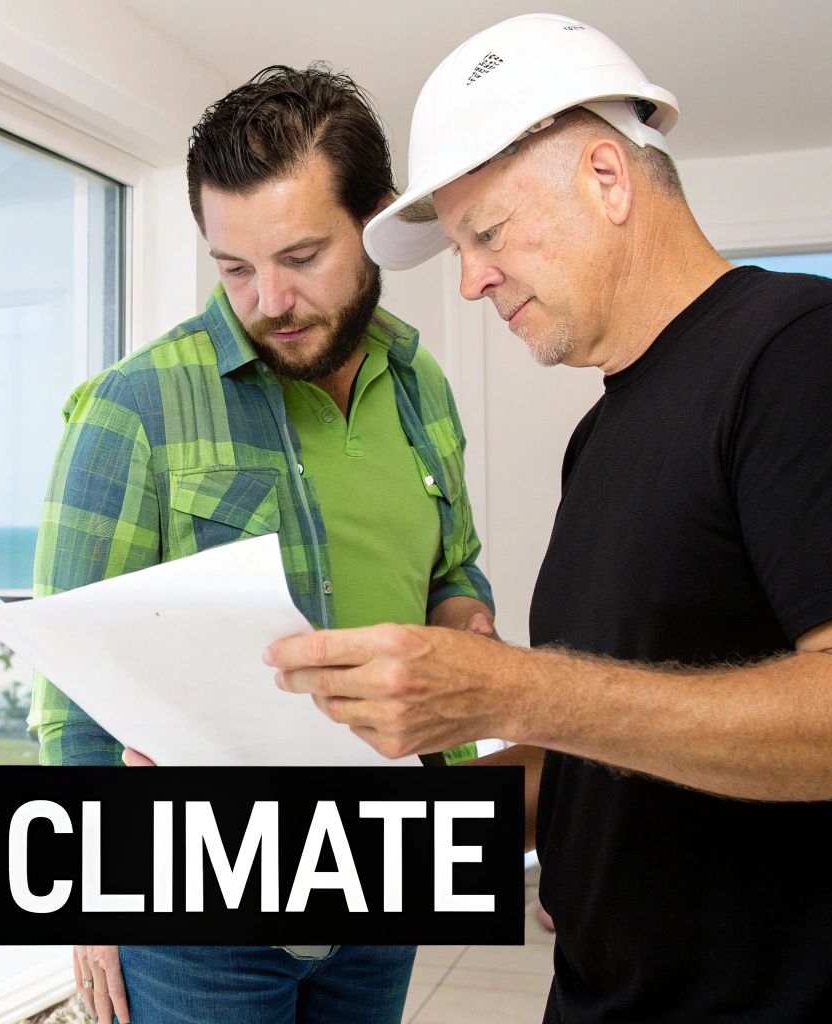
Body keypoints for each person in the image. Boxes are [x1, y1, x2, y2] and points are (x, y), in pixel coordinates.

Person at [268, 14, 832, 1022]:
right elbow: (592, 747)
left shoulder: (815, 350)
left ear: (607, 178)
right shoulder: (602, 435)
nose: (470, 280)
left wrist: (513, 689)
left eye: (487, 233)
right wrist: (321, 836)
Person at [28, 65, 495, 1024]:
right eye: (234, 267)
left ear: (376, 222)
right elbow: (70, 684)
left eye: (301, 256)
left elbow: (451, 564)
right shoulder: (134, 407)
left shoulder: (421, 387)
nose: (268, 300)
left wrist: (464, 617)